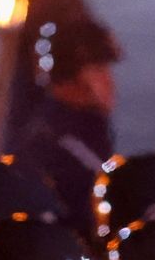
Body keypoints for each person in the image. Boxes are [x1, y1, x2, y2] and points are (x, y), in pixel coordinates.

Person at [17, 18, 122, 237]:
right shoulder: (55, 148)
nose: (109, 81)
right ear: (67, 76)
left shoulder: (88, 131)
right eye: (98, 70)